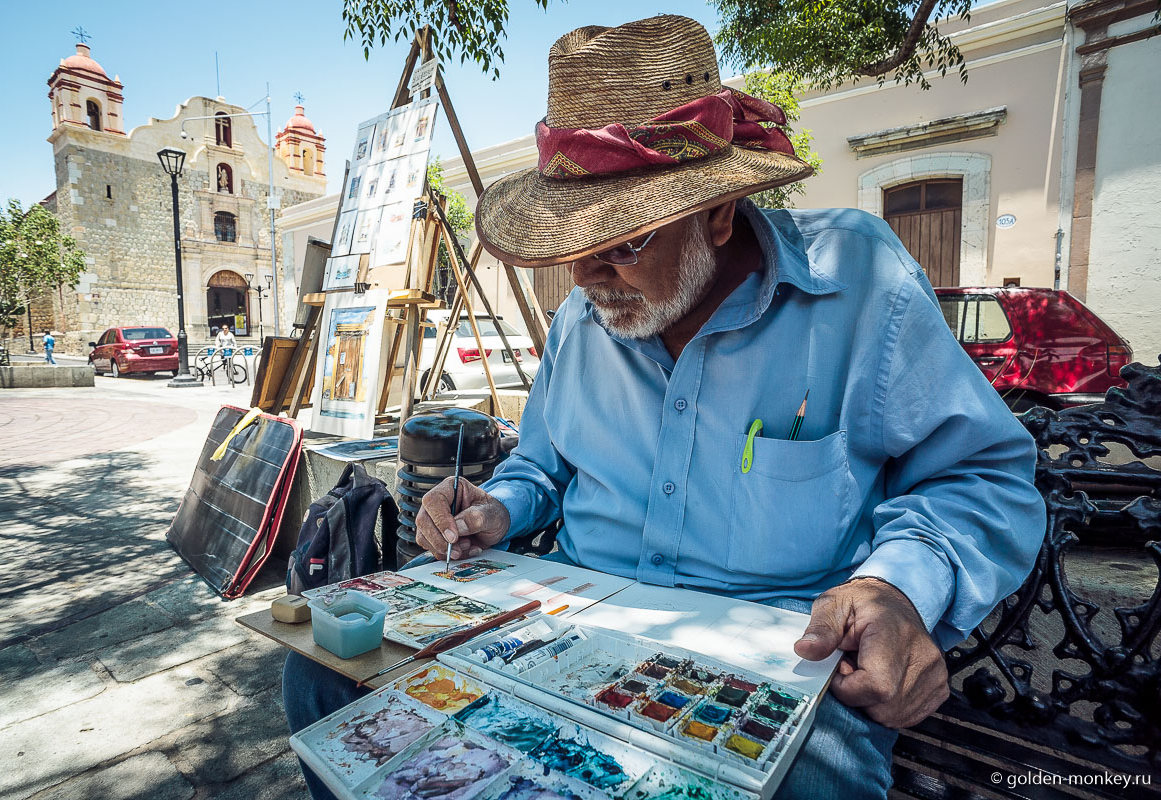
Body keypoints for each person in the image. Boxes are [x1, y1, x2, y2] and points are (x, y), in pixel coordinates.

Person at [283, 15, 1046, 799]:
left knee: (811, 777)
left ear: (717, 215)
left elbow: (980, 477)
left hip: (771, 647)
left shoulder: (857, 281)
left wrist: (898, 589)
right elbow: (544, 464)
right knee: (322, 681)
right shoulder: (586, 318)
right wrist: (499, 507)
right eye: (570, 249)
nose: (583, 279)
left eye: (620, 244)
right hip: (563, 615)